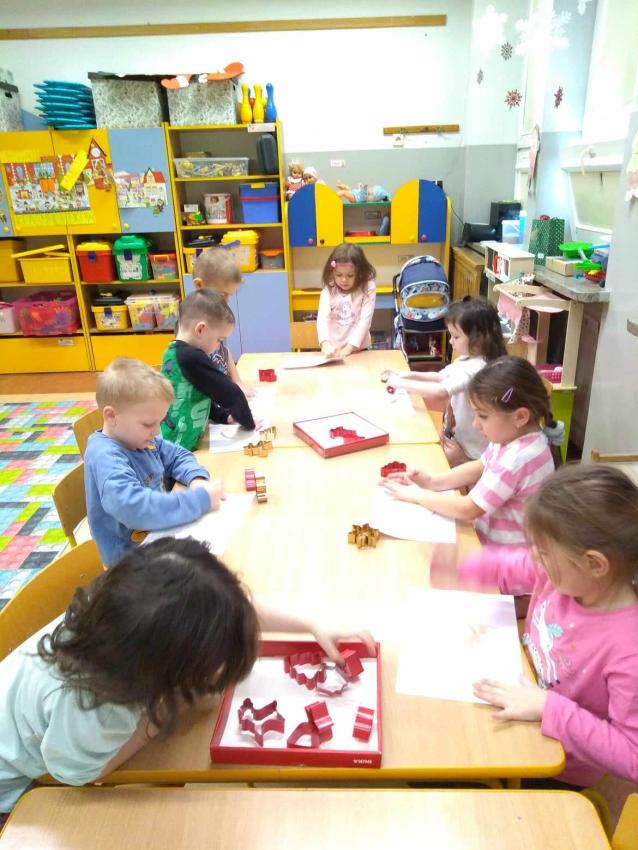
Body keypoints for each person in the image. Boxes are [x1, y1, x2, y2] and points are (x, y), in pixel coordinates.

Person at [0, 537, 375, 817]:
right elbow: (74, 772)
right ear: (165, 675)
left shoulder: (126, 609)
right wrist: (156, 722)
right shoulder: (100, 708)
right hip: (12, 785)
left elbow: (226, 609)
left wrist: (310, 623)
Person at [431, 464, 638, 788]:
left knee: (444, 767)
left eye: (543, 552)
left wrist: (548, 707)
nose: (536, 559)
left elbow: (632, 756)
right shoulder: (567, 575)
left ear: (595, 563)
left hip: (553, 761)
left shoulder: (629, 651)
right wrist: (464, 567)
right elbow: (519, 565)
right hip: (519, 689)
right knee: (438, 730)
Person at [381, 356, 563, 546]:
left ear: (520, 417)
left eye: (482, 416)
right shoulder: (512, 438)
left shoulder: (517, 459)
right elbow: (481, 465)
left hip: (505, 554)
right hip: (490, 540)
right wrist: (433, 481)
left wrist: (416, 495)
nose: (475, 424)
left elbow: (468, 508)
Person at [84, 358, 222, 566]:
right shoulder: (106, 456)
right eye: (148, 424)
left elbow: (178, 455)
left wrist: (197, 479)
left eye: (160, 422)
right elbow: (134, 507)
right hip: (130, 565)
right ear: (111, 416)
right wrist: (199, 500)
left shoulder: (139, 438)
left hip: (157, 537)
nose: (157, 432)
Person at [383, 297, 507, 466]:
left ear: (478, 339)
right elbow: (439, 376)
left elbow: (441, 391)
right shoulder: (467, 359)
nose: (450, 341)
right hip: (455, 438)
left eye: (455, 337)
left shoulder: (478, 368)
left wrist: (399, 383)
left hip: (470, 453)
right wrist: (402, 375)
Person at [161, 290, 256, 451]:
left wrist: (224, 416)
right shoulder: (191, 357)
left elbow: (200, 393)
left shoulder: (173, 352)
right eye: (219, 339)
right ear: (200, 330)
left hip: (176, 439)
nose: (219, 345)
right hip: (181, 446)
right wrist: (248, 423)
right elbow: (228, 391)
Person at [191, 249, 254, 398]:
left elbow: (223, 350)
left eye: (229, 295)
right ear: (199, 285)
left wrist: (237, 381)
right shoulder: (191, 320)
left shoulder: (215, 312)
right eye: (222, 295)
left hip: (221, 392)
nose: (226, 302)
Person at [317, 243, 376, 359]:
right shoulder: (329, 289)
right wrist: (325, 344)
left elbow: (365, 321)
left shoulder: (368, 287)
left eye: (350, 275)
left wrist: (349, 348)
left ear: (360, 273)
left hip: (359, 350)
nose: (344, 280)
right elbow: (322, 318)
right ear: (332, 272)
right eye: (339, 275)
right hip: (334, 349)